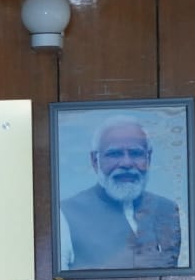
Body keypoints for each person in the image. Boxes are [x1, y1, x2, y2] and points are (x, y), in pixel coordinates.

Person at [59, 116, 184, 271]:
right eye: (115, 154)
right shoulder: (65, 214)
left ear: (149, 158)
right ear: (95, 161)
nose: (126, 163)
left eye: (136, 153)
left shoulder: (168, 210)